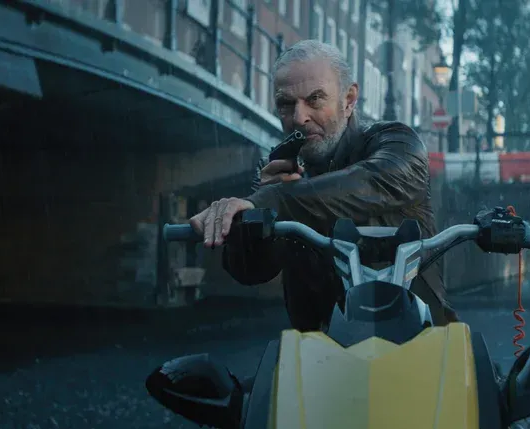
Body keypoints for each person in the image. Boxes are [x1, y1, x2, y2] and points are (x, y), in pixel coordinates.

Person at [189, 39, 459, 330]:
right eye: (286, 104)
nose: (299, 118)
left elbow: (377, 181)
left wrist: (275, 200)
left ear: (349, 100)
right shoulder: (277, 174)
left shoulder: (396, 143)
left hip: (420, 337)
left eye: (315, 99)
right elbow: (251, 271)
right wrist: (256, 223)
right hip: (319, 345)